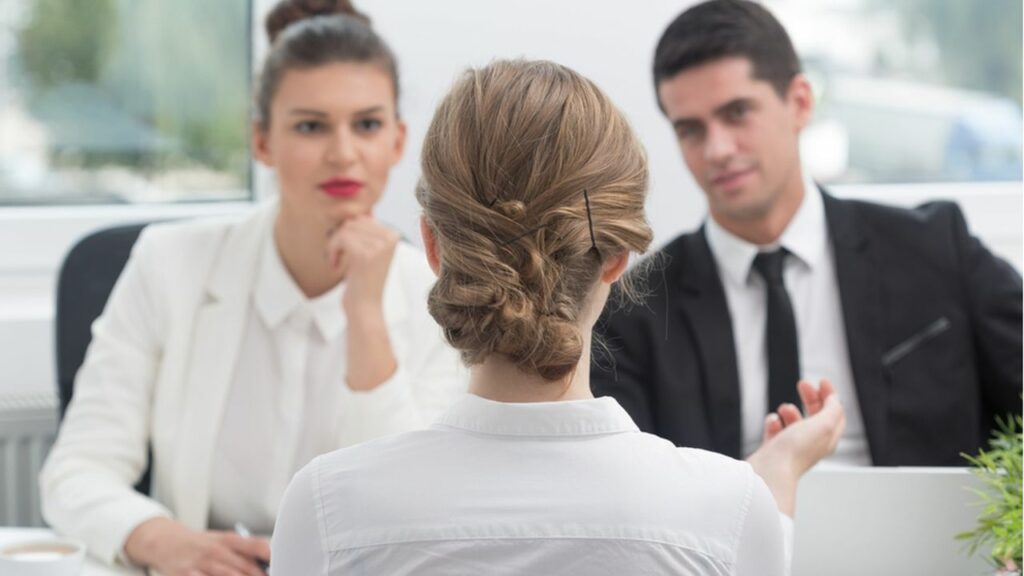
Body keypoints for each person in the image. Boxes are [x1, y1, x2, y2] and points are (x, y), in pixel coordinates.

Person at [270, 58, 845, 576]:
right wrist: (771, 487)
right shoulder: (729, 508)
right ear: (617, 255)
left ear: (433, 245)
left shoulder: (325, 507)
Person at [39, 2, 464, 573]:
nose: (343, 153)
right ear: (262, 142)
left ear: (396, 141)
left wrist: (366, 316)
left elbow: (410, 515)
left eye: (366, 124)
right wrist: (163, 539)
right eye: (311, 126)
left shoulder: (434, 295)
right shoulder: (169, 264)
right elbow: (76, 471)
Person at [591, 0, 1022, 466]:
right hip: (729, 533)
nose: (717, 149)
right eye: (691, 130)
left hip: (925, 536)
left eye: (737, 113)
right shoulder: (636, 309)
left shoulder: (937, 249)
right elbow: (626, 491)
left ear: (800, 102)